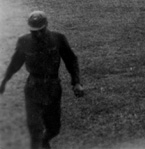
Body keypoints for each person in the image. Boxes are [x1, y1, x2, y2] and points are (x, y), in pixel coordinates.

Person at [0, 11, 84, 149]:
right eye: (34, 31)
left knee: (54, 128)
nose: (38, 34)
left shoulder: (58, 39)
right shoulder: (24, 41)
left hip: (53, 88)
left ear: (46, 25)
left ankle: (44, 142)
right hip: (33, 88)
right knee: (35, 130)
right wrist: (4, 80)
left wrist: (76, 82)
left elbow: (71, 60)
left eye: (41, 30)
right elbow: (15, 63)